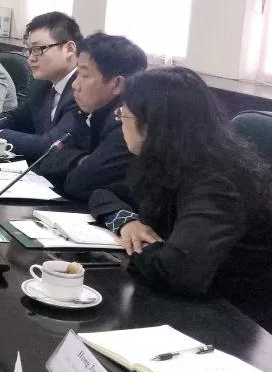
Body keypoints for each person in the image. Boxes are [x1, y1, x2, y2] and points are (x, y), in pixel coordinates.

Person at [89, 68, 272, 331]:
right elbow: (103, 193)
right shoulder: (171, 160)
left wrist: (136, 248)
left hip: (233, 319)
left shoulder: (217, 183)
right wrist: (126, 223)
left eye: (123, 115)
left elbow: (178, 272)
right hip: (184, 299)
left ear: (151, 124)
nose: (121, 123)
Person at [37, 33, 147, 200]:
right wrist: (81, 159)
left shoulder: (127, 123)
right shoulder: (88, 111)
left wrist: (76, 164)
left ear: (117, 84)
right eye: (77, 75)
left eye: (85, 75)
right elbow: (47, 159)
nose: (75, 85)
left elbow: (78, 184)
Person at [0, 12, 82, 156]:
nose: (31, 59)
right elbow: (18, 118)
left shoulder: (82, 91)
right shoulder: (43, 84)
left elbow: (51, 145)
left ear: (69, 49)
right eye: (29, 50)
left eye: (38, 49)